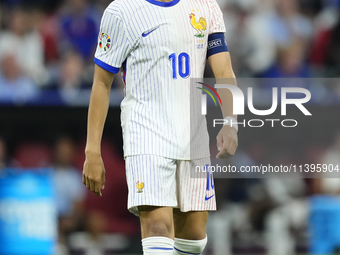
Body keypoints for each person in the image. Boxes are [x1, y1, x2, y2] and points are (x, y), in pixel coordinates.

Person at [82, 0, 238, 254]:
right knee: (158, 229)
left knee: (195, 239)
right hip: (146, 134)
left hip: (193, 134)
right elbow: (101, 83)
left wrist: (230, 122)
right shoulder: (121, 12)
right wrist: (92, 150)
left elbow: (224, 70)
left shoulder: (206, 6)